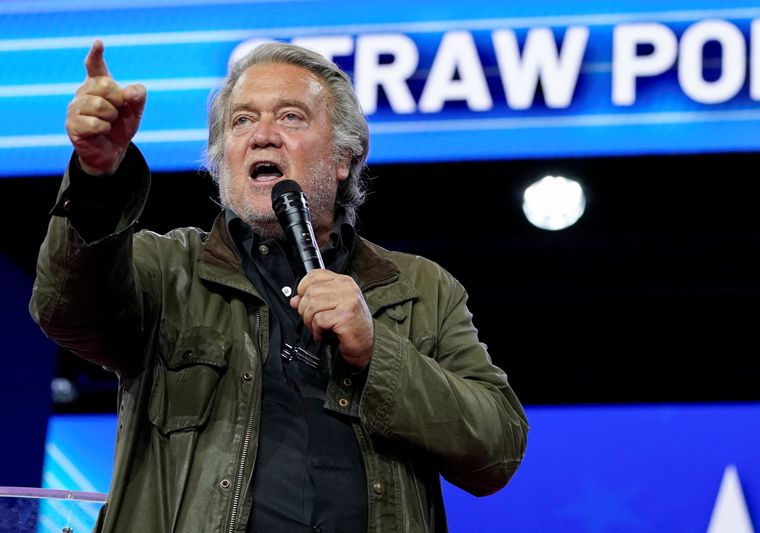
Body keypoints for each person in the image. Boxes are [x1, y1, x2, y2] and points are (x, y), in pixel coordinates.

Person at [30, 39, 529, 532]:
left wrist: (379, 353)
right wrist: (97, 181)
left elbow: (496, 449)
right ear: (221, 160)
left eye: (290, 116)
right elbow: (66, 311)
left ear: (344, 159)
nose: (261, 135)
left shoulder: (421, 289)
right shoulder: (167, 270)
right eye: (242, 120)